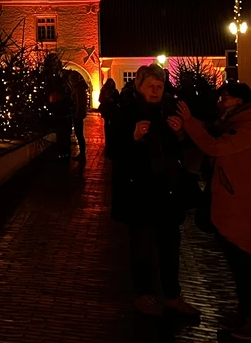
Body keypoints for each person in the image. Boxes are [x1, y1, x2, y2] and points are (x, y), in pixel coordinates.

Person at [176, 83, 251, 340]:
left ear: (240, 102)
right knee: (238, 262)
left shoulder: (248, 128)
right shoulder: (235, 125)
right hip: (232, 201)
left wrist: (190, 122)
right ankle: (248, 312)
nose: (220, 102)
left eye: (225, 98)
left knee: (244, 263)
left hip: (241, 203)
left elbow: (215, 147)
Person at [105, 64, 200, 317]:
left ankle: (172, 295)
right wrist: (132, 137)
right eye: (151, 86)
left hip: (168, 191)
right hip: (138, 192)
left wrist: (181, 133)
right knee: (142, 247)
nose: (156, 90)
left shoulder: (170, 108)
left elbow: (185, 146)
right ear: (140, 87)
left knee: (170, 245)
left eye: (159, 86)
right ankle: (144, 295)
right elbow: (113, 150)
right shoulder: (125, 109)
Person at [69, 74, 89, 160]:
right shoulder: (79, 87)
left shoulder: (78, 88)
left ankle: (82, 154)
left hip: (78, 114)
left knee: (79, 133)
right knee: (79, 133)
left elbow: (79, 102)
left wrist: (77, 112)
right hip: (79, 113)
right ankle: (82, 153)